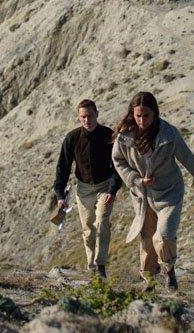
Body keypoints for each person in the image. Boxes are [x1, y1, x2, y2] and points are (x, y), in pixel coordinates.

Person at [111, 91, 194, 291]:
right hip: (142, 196)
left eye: (147, 116)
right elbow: (118, 161)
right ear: (132, 114)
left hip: (169, 193)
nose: (142, 120)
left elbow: (188, 159)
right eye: (138, 116)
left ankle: (169, 270)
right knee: (147, 239)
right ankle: (149, 281)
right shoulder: (124, 136)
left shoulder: (169, 135)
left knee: (164, 236)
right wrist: (136, 180)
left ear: (155, 114)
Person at [52, 99, 122, 279]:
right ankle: (92, 267)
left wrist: (112, 190)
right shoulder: (72, 138)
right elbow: (63, 167)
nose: (87, 120)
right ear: (78, 117)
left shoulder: (109, 136)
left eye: (90, 115)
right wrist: (60, 195)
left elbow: (118, 165)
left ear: (97, 114)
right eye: (83, 116)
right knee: (88, 229)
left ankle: (100, 265)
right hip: (83, 189)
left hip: (104, 187)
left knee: (102, 221)